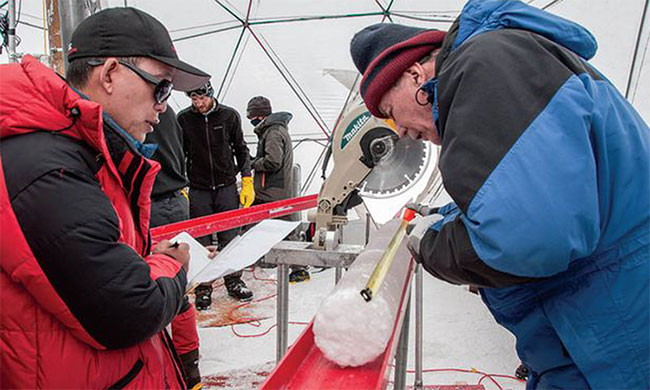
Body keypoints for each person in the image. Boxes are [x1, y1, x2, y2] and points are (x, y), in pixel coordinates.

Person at [350, 0, 649, 389]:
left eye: (391, 112)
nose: (400, 131)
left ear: (413, 74)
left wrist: (432, 245)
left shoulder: (487, 64)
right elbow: (539, 190)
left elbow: (531, 237)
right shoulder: (499, 64)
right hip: (599, 324)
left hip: (612, 337)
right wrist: (449, 216)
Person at [0, 7, 211, 389]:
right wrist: (171, 264)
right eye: (160, 85)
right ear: (111, 73)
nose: (164, 105)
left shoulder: (85, 152)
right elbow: (130, 309)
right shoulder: (46, 167)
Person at [178, 81, 255, 306]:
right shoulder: (184, 120)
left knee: (229, 237)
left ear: (210, 94)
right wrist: (182, 184)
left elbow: (241, 149)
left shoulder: (229, 116)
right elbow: (180, 153)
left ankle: (234, 281)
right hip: (199, 188)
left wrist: (247, 179)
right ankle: (204, 286)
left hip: (226, 186)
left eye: (201, 98)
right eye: (194, 99)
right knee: (201, 240)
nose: (198, 104)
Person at [146, 107, 202, 390]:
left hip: (154, 203)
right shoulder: (170, 113)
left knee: (158, 288)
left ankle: (177, 373)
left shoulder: (134, 109)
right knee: (178, 289)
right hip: (176, 200)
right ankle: (190, 371)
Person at [246, 96, 309, 283]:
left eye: (251, 116)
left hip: (272, 191)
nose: (250, 120)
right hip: (276, 190)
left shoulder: (272, 132)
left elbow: (273, 161)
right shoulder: (275, 129)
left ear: (259, 115)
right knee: (282, 228)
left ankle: (300, 269)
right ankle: (293, 267)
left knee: (283, 228)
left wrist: (252, 163)